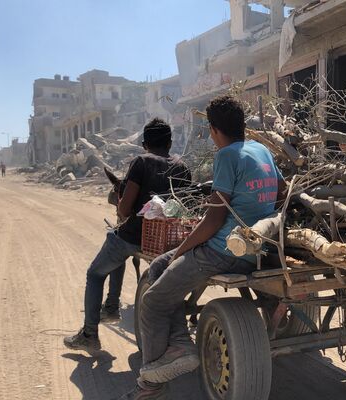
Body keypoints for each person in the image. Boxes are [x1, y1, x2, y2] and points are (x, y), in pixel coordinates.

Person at [122, 96, 286, 399]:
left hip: (223, 252)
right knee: (159, 265)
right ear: (241, 125)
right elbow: (282, 193)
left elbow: (212, 222)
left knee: (154, 302)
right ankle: (177, 346)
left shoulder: (225, 156)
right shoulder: (261, 149)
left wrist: (183, 248)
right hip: (260, 247)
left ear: (214, 130)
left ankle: (154, 381)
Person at [64, 118, 191, 352]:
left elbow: (123, 209)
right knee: (116, 256)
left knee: (95, 273)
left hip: (133, 236)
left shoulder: (141, 162)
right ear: (170, 143)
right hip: (167, 240)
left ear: (144, 144)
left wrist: (124, 208)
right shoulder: (182, 166)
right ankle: (111, 306)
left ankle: (90, 332)